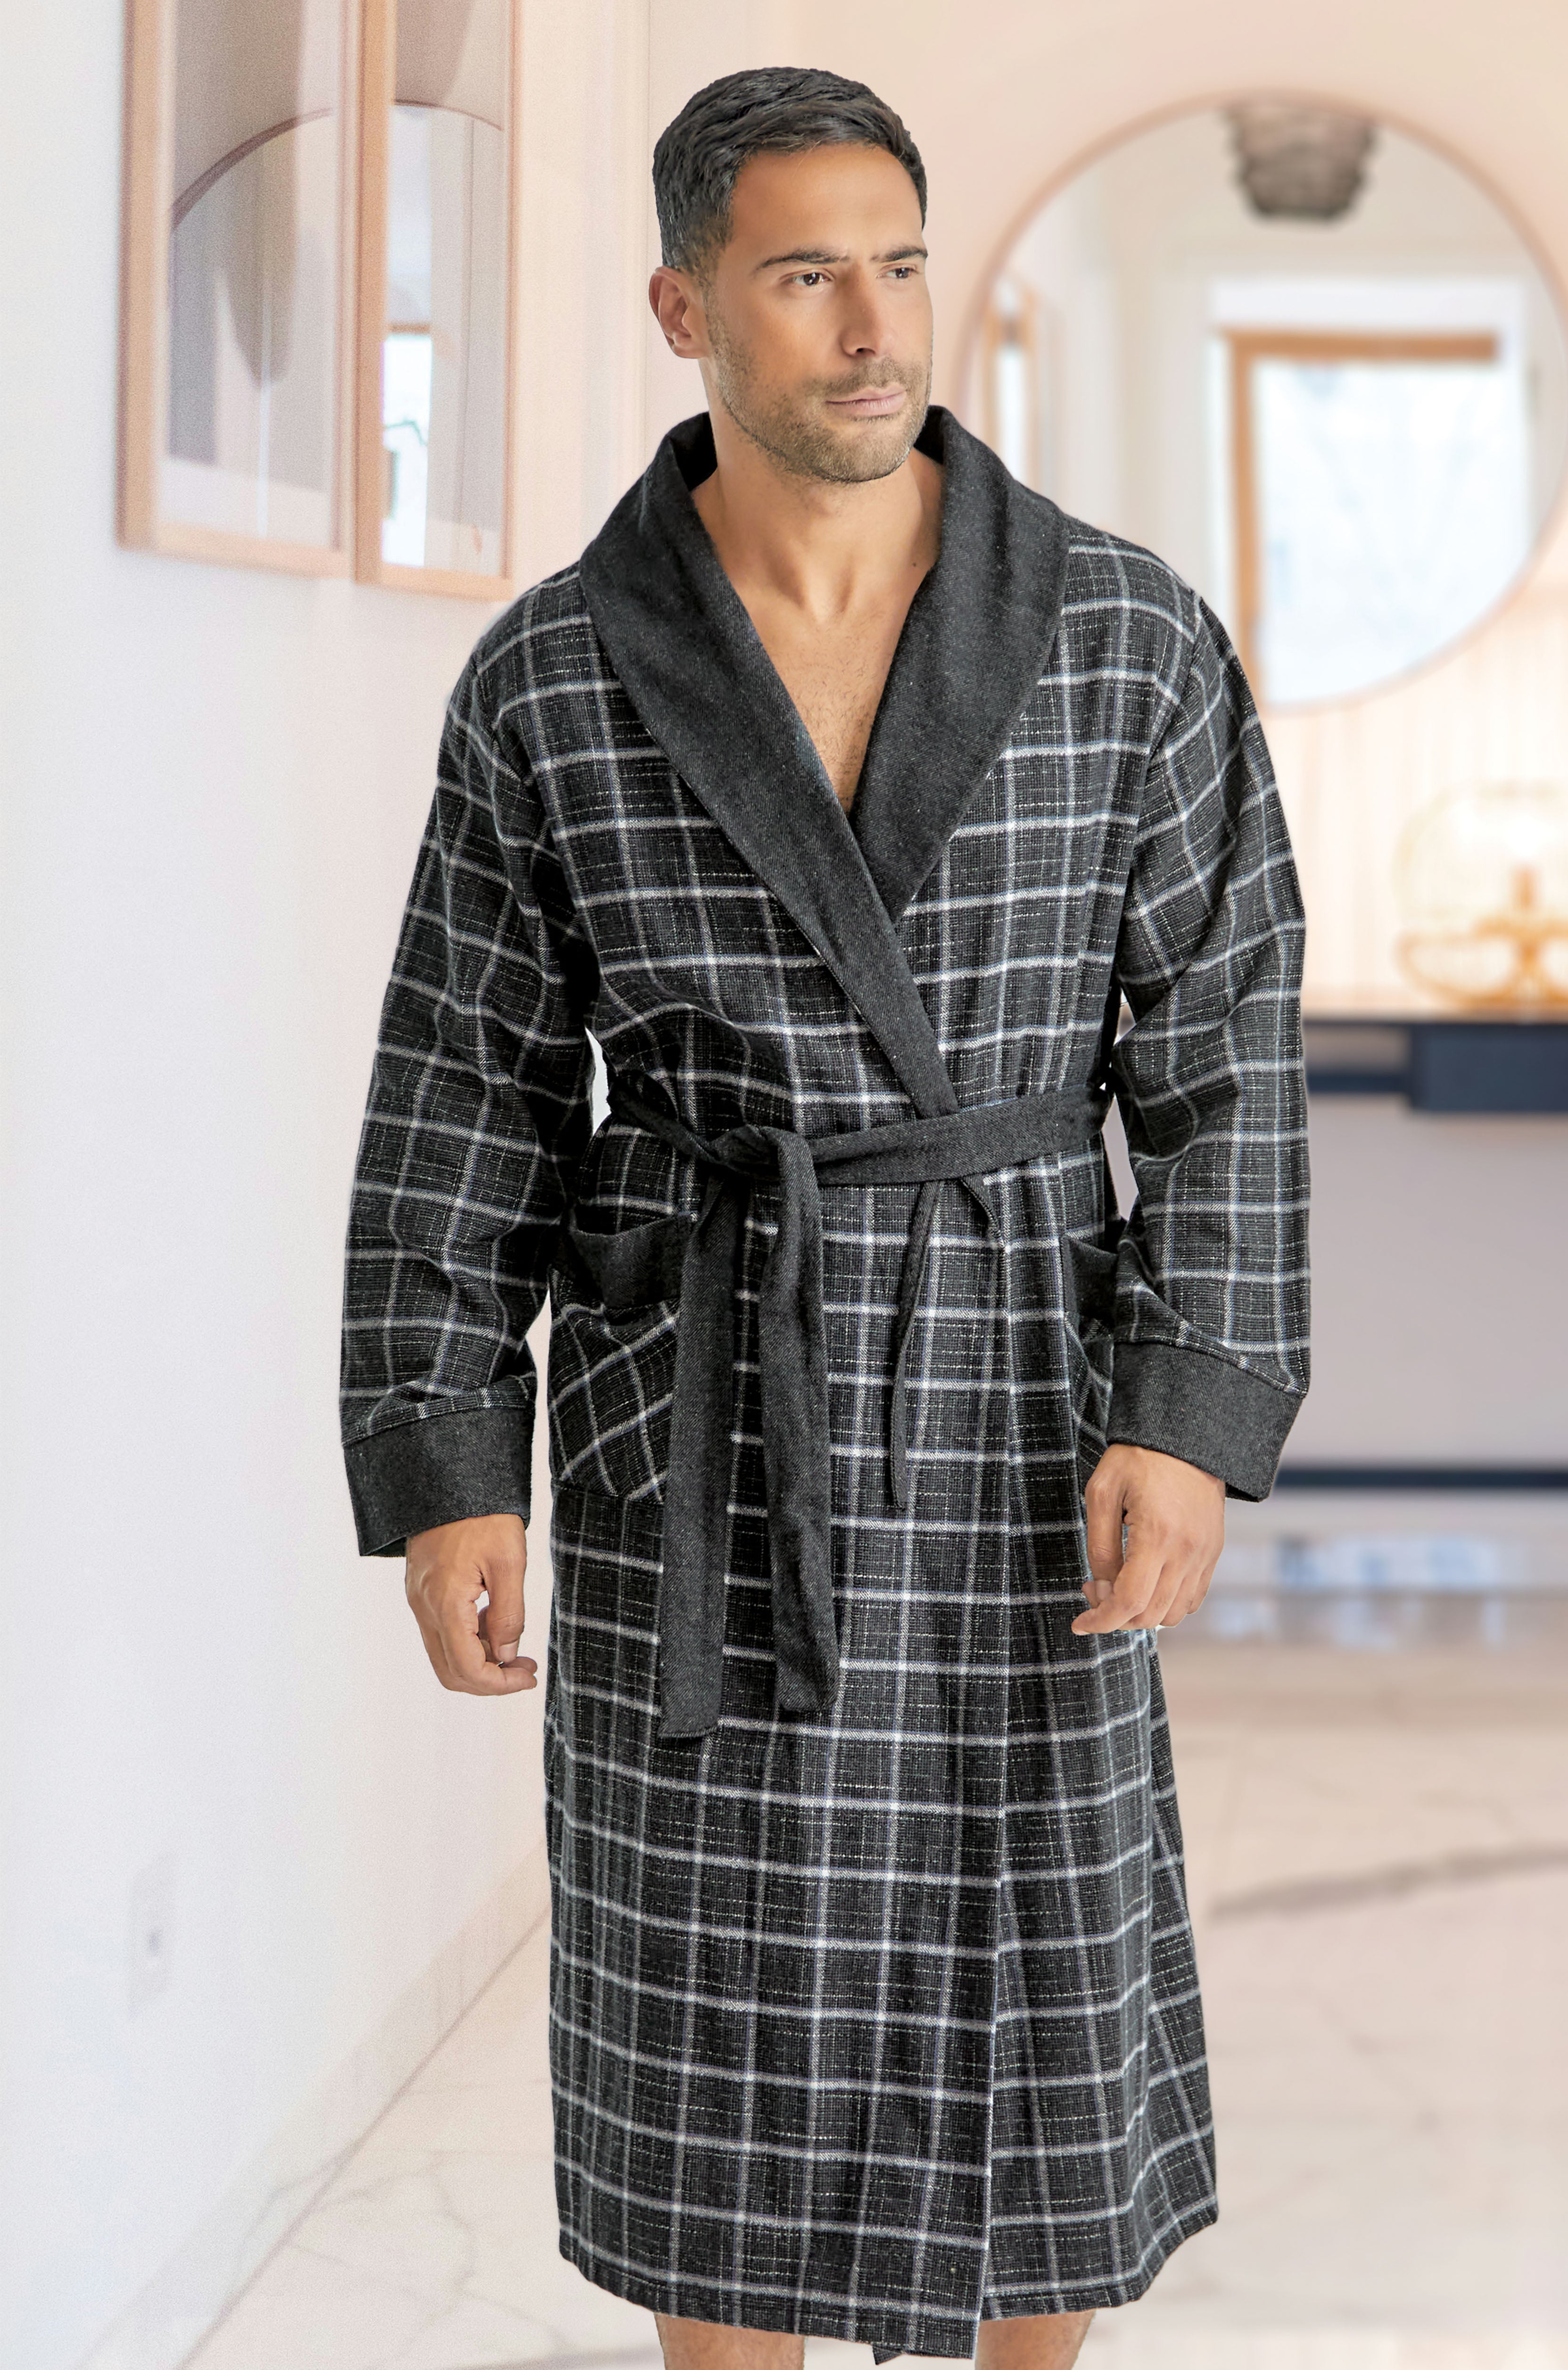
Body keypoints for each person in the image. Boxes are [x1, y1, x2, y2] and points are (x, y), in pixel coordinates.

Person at [338, 64, 1310, 2370]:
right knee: (716, 1977)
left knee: (1034, 1952)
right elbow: (467, 1081)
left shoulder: (1124, 636)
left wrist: (1189, 1408)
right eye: (803, 277)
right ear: (685, 310)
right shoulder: (558, 675)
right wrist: (449, 1459)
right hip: (699, 1398)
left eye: (899, 264)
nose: (873, 327)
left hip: (1018, 1376)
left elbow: (1224, 1051)